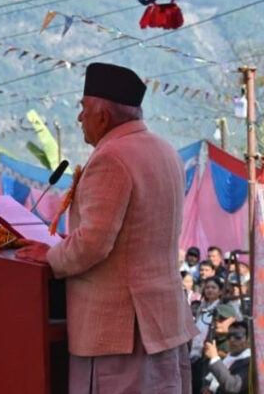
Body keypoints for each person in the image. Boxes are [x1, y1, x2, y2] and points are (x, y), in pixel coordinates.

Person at [17, 62, 198, 392]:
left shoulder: (111, 157)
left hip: (119, 332)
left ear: (102, 116)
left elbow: (93, 244)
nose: (79, 118)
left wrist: (51, 256)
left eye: (83, 109)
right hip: (162, 322)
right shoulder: (165, 150)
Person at [202, 320, 250, 394]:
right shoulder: (226, 359)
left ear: (248, 340)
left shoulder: (250, 363)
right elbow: (208, 379)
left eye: (238, 336)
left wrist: (214, 358)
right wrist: (206, 389)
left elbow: (233, 386)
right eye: (229, 336)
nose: (232, 340)